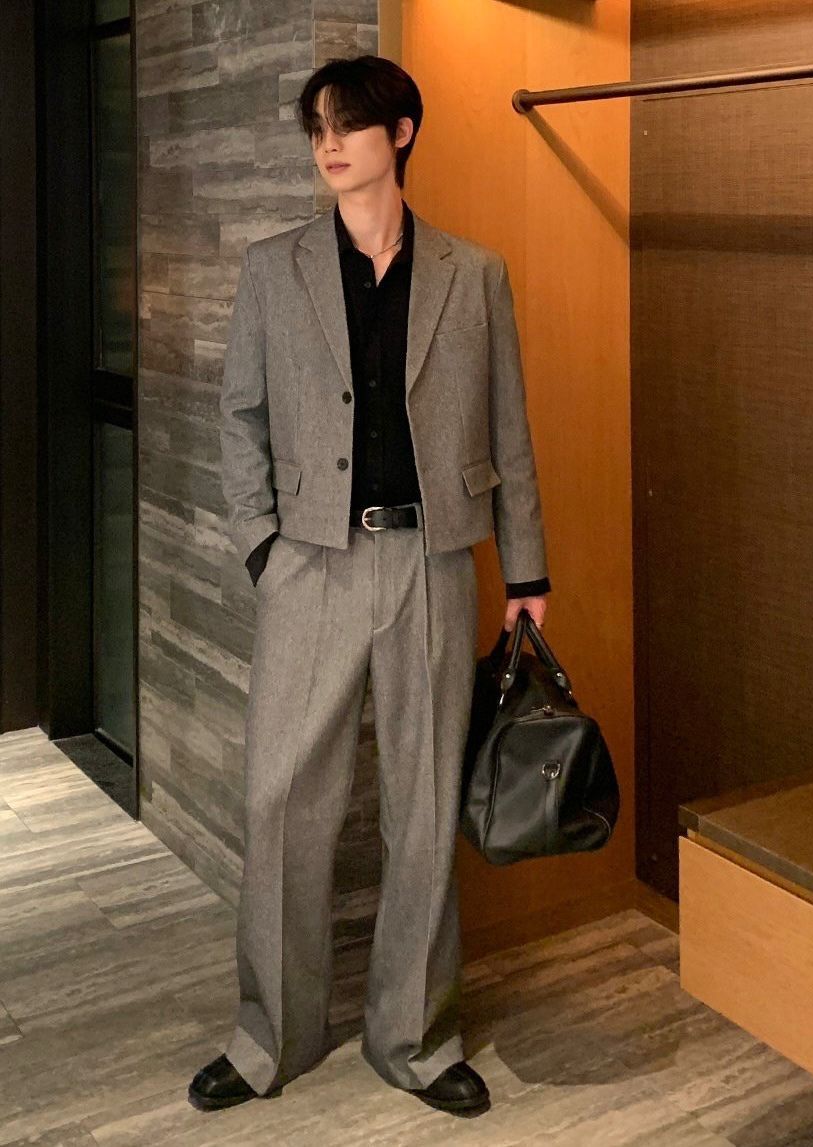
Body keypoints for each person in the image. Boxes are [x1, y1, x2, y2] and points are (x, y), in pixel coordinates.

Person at [188, 54, 551, 1117]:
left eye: (346, 123)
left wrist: (525, 568)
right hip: (309, 562)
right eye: (316, 127)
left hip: (434, 563)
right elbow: (240, 416)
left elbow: (509, 427)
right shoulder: (275, 268)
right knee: (280, 801)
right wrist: (262, 546)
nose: (328, 144)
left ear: (400, 133)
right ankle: (268, 1038)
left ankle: (415, 1038)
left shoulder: (473, 273)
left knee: (424, 806)